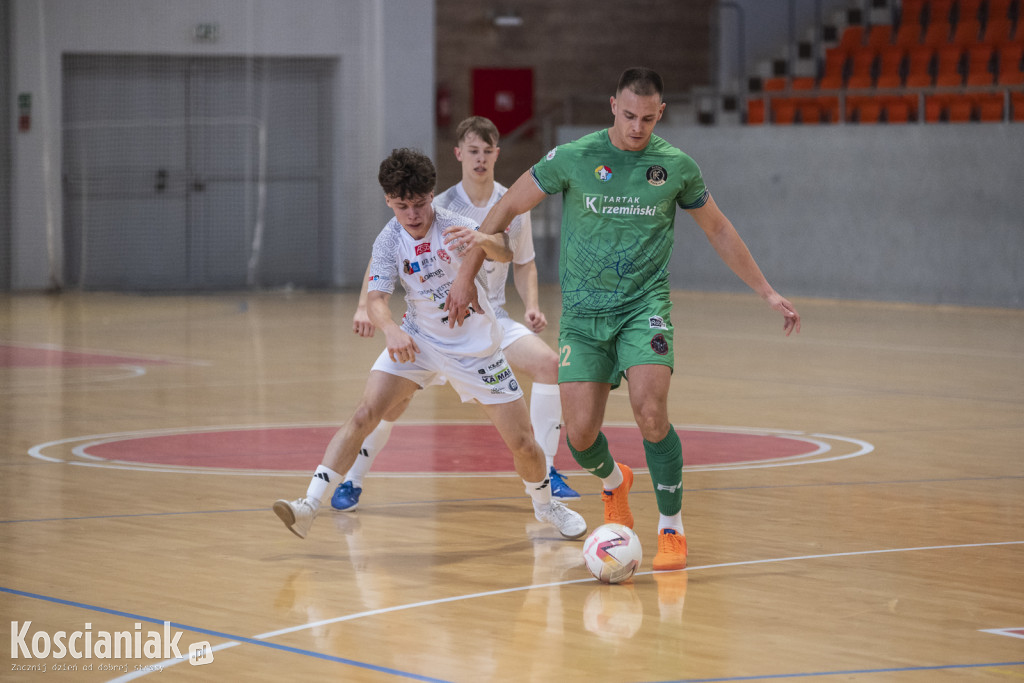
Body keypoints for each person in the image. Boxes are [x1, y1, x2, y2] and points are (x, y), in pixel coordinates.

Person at [445, 68, 801, 571]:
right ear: (613, 105)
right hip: (585, 316)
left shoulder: (676, 167)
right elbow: (505, 207)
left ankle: (671, 527)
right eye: (630, 115)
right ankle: (615, 482)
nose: (637, 127)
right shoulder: (574, 156)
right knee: (581, 436)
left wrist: (766, 291)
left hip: (644, 309)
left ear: (662, 113)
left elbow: (718, 229)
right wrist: (466, 273)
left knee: (651, 412)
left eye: (648, 118)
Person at [273, 148, 587, 541]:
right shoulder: (388, 241)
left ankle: (545, 505)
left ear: (431, 195)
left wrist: (484, 240)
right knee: (364, 414)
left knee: (523, 444)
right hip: (418, 342)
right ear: (389, 200)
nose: (413, 215)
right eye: (403, 206)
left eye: (420, 204)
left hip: (475, 350)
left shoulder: (455, 225)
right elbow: (375, 301)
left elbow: (506, 251)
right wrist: (390, 329)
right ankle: (309, 504)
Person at [333, 116, 579, 511]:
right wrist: (366, 304)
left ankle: (548, 471)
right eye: (473, 151)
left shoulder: (513, 203)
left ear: (497, 154)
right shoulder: (435, 203)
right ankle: (354, 480)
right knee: (391, 404)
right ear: (459, 154)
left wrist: (531, 304)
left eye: (487, 151)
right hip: (432, 326)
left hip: (488, 319)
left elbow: (523, 262)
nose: (480, 159)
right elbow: (386, 255)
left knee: (549, 364)